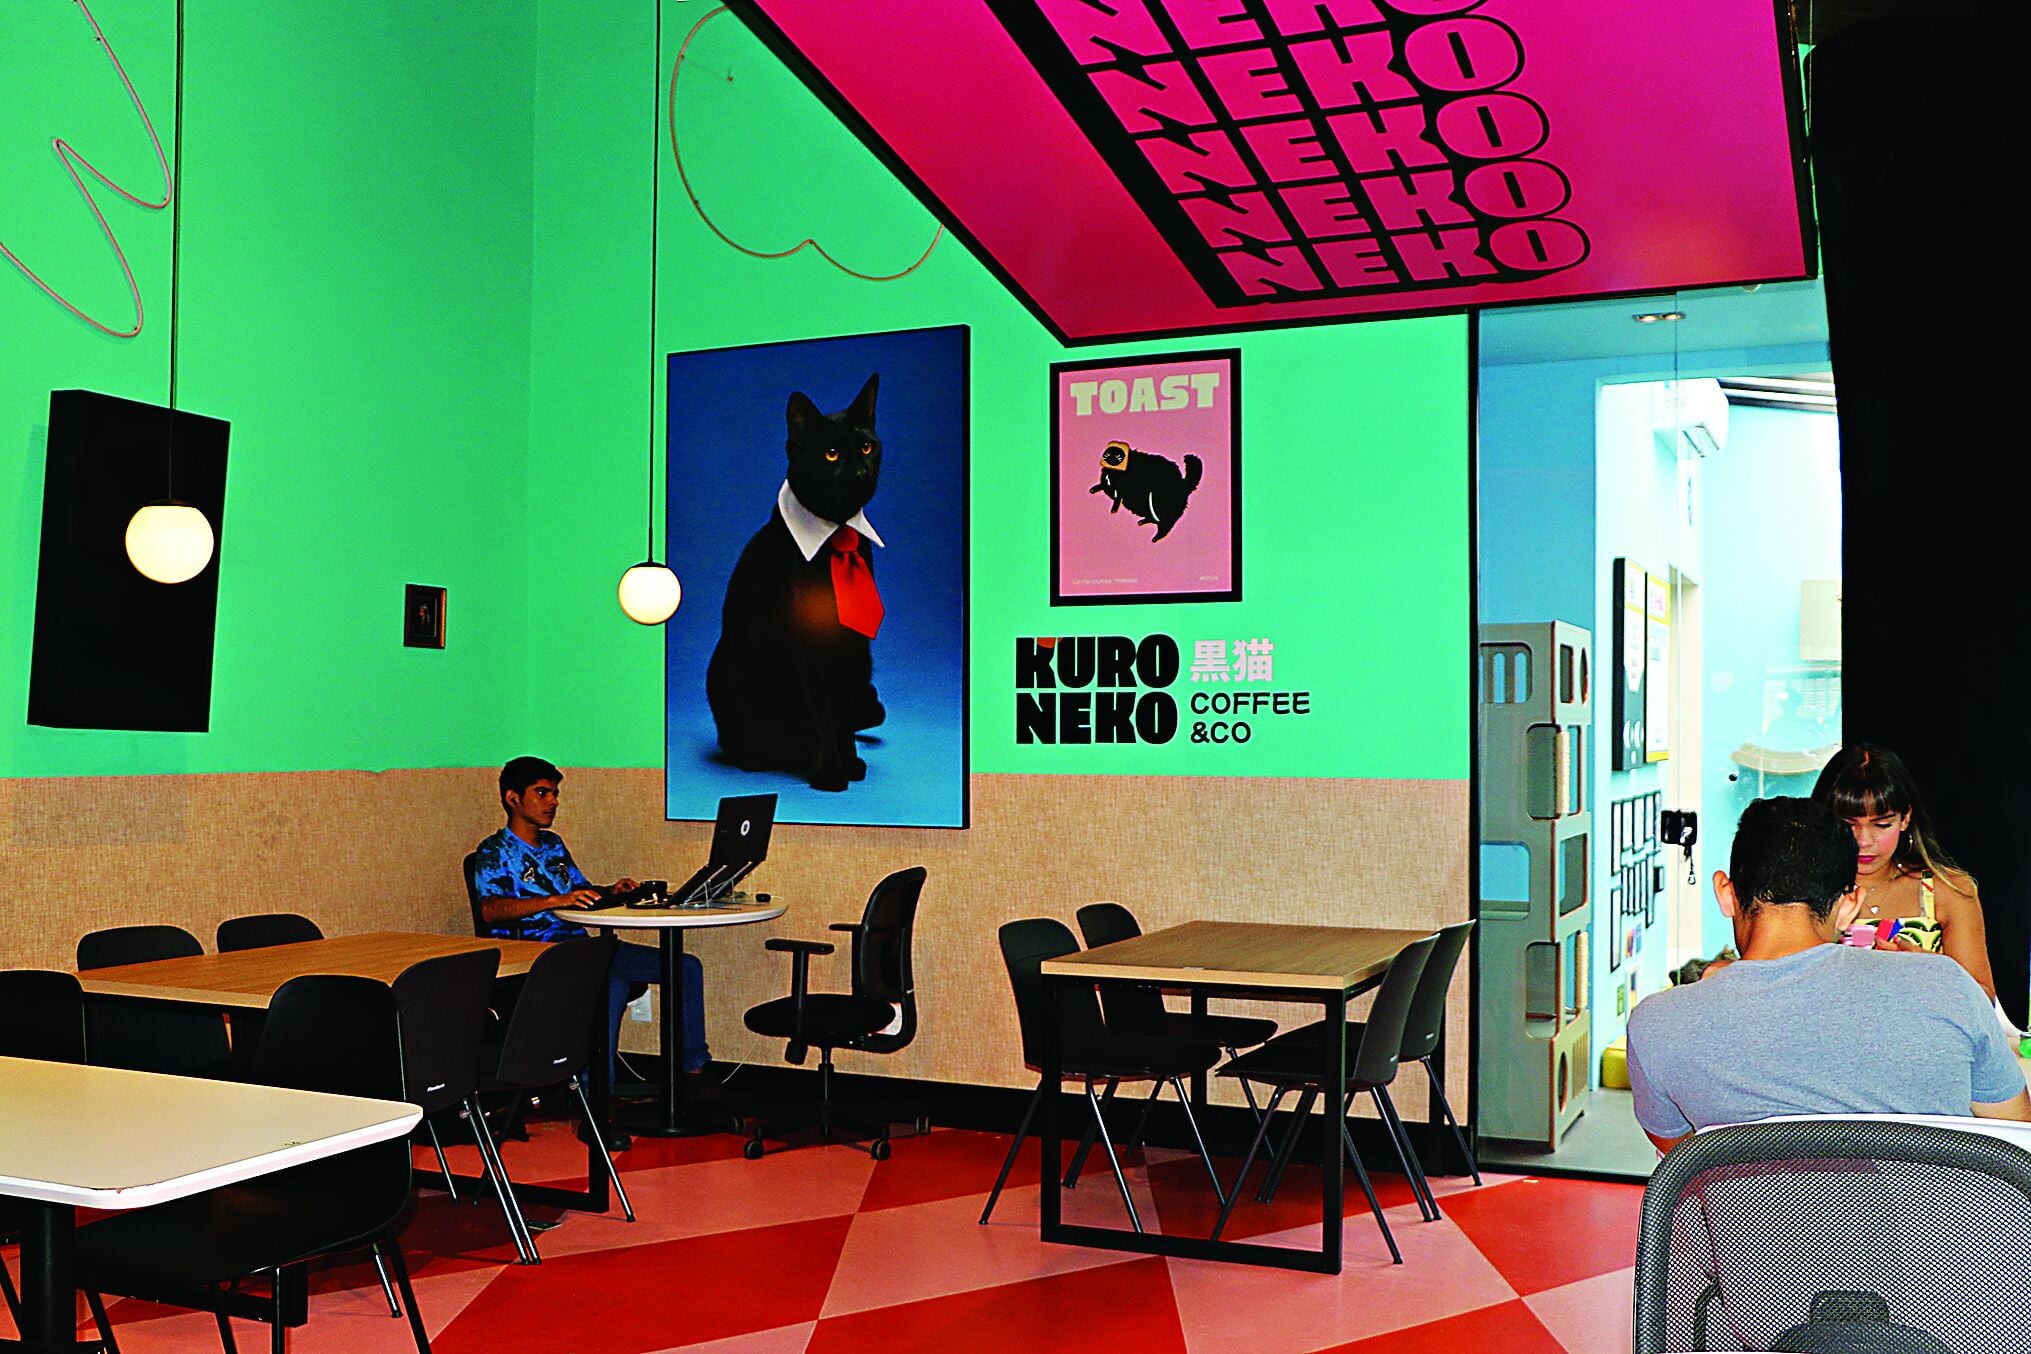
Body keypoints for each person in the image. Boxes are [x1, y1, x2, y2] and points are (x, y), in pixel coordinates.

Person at [1627, 797, 2028, 1153]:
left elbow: (1686, 1161)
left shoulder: (1656, 1024)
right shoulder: (1947, 985)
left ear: (1725, 893)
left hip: (1756, 1219)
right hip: (1929, 1218)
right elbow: (2016, 1136)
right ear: (1849, 904)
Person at [471, 756, 709, 1087]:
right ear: (513, 798)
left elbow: (579, 891)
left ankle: (692, 1069)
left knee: (684, 967)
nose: (553, 802)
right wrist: (553, 901)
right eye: (542, 793)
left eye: (555, 793)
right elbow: (490, 910)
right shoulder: (494, 851)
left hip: (583, 947)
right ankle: (596, 1088)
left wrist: (611, 891)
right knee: (612, 985)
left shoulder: (553, 844)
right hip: (540, 955)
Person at [1811, 742, 1998, 1001]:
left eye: (1882, 825)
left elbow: (1984, 999)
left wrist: (1930, 970)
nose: (1864, 841)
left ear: (1905, 819)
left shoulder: (1948, 889)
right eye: (1848, 824)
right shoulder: (1798, 892)